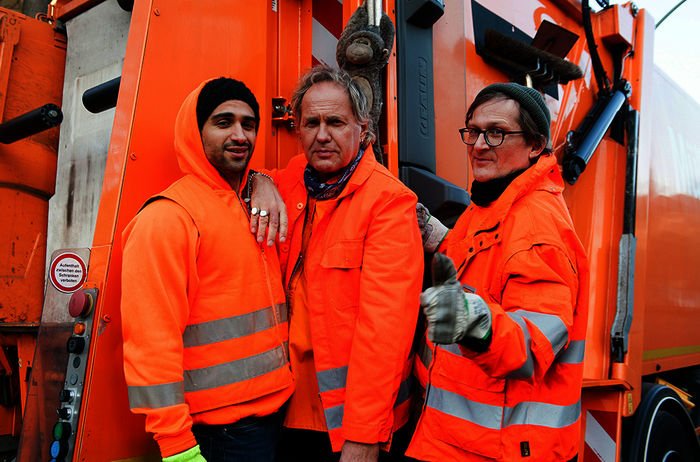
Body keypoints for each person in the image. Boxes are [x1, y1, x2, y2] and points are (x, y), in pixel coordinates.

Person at [406, 83, 589, 461]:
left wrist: (472, 320)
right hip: (451, 439)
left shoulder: (538, 228)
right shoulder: (493, 202)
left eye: (497, 132)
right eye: (473, 131)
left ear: (536, 145)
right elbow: (483, 266)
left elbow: (530, 345)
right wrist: (437, 236)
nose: (479, 144)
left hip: (497, 449)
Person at [121, 78, 294, 462]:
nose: (239, 135)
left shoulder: (254, 201)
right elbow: (150, 341)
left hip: (273, 420)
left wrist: (262, 178)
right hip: (218, 437)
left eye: (249, 124)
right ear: (195, 131)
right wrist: (176, 445)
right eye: (223, 122)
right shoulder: (169, 217)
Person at [256, 66, 423, 461]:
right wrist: (258, 180)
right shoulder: (293, 179)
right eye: (311, 123)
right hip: (284, 410)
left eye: (335, 122)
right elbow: (250, 175)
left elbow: (386, 333)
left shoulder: (388, 203)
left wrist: (364, 437)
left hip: (346, 425)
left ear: (362, 130)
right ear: (297, 130)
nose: (322, 134)